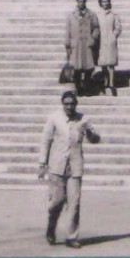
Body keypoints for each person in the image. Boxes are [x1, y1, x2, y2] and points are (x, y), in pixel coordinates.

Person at [39, 89, 101, 248]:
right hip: (57, 166)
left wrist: (88, 131)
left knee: (74, 202)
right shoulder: (54, 118)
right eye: (66, 104)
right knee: (56, 202)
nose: (69, 107)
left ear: (76, 104)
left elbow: (95, 139)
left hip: (75, 166)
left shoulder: (83, 119)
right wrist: (42, 164)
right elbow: (46, 141)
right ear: (62, 104)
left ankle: (72, 237)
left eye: (72, 104)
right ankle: (51, 227)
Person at [64, 0, 98, 95]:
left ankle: (87, 88)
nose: (81, 3)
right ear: (77, 1)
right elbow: (68, 30)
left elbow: (96, 28)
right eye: (79, 1)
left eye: (83, 1)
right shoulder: (71, 15)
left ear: (85, 2)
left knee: (88, 68)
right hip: (76, 45)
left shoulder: (91, 14)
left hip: (87, 44)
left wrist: (93, 38)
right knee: (76, 69)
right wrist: (67, 44)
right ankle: (78, 89)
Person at [94, 0, 122, 97]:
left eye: (106, 1)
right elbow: (95, 26)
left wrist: (113, 36)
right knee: (103, 64)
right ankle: (105, 82)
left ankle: (111, 83)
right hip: (101, 42)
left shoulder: (114, 14)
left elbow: (118, 27)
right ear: (100, 3)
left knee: (111, 64)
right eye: (103, 2)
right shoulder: (97, 15)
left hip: (110, 42)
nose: (105, 3)